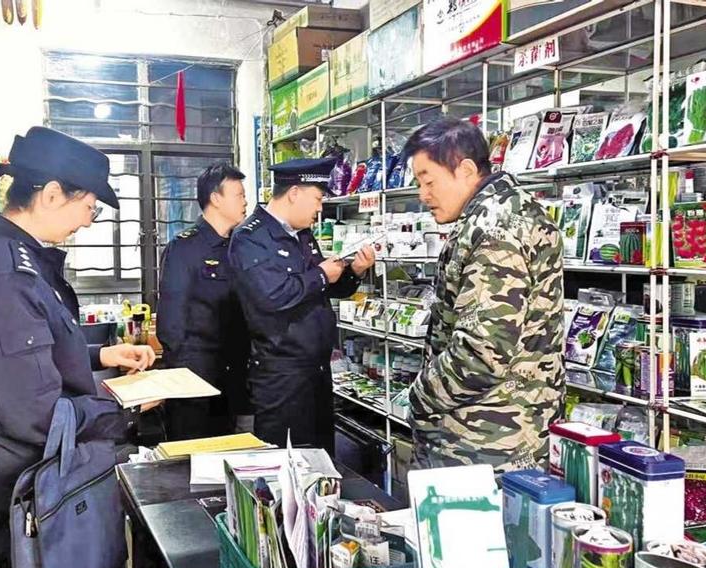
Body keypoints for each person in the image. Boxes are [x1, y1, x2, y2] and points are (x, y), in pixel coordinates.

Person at [0, 127, 157, 568]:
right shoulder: (3, 273)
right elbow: (35, 413)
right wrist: (123, 405)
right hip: (27, 485)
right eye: (89, 208)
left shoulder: (14, 256)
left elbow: (33, 351)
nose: (87, 222)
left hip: (37, 478)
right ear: (53, 194)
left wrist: (102, 355)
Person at [403, 117, 565, 474]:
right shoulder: (506, 211)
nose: (422, 195)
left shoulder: (495, 228)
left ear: (465, 170)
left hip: (485, 445)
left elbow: (481, 353)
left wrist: (419, 397)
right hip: (505, 433)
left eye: (428, 181)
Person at [228, 157, 376, 451]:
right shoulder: (250, 238)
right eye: (318, 199)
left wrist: (355, 271)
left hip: (316, 370)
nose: (320, 209)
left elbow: (322, 289)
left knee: (320, 457)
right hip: (282, 377)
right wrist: (321, 274)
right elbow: (272, 296)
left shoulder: (302, 235)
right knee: (286, 459)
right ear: (294, 193)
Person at [156, 163, 250, 440]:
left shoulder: (240, 246)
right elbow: (171, 323)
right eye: (239, 195)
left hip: (233, 376)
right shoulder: (184, 248)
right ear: (216, 198)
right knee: (190, 455)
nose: (245, 202)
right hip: (195, 380)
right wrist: (183, 379)